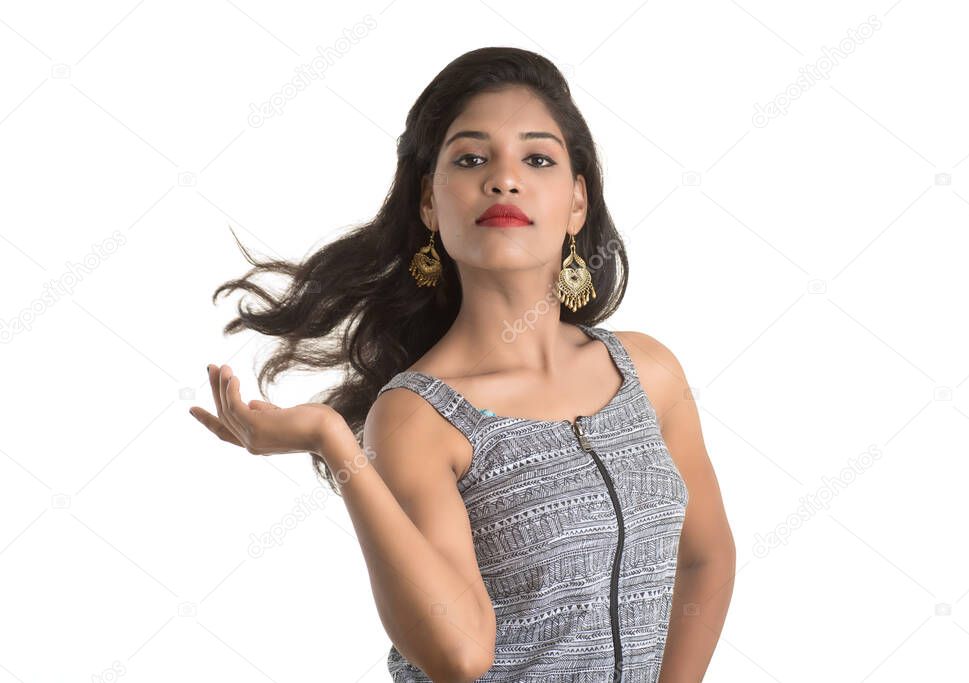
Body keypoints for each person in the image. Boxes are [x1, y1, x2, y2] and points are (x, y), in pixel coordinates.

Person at [188, 46, 735, 682]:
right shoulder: (418, 416)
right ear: (429, 203)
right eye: (471, 159)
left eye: (537, 158)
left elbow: (706, 559)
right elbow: (460, 656)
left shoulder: (649, 371)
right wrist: (334, 441)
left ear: (577, 202)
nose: (505, 178)